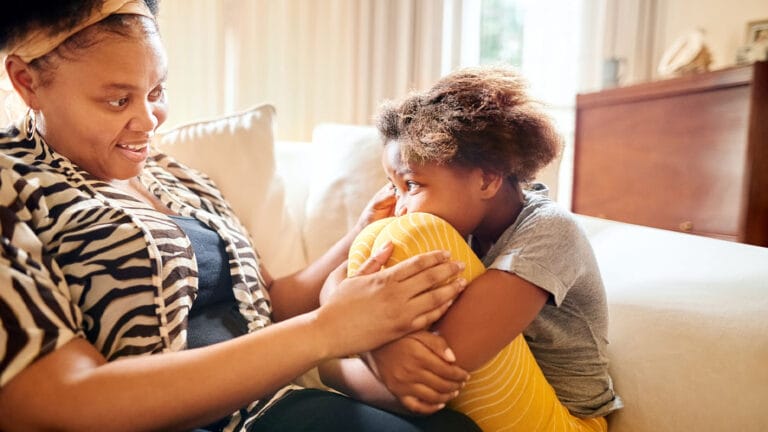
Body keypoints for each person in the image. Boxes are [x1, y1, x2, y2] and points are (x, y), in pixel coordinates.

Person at [0, 1, 483, 431]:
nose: (149, 120)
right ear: (27, 82)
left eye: (157, 91)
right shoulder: (12, 185)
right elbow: (54, 402)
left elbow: (268, 301)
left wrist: (362, 232)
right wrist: (327, 331)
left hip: (276, 400)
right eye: (117, 100)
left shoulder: (174, 178)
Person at [318, 66, 624, 431]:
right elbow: (336, 281)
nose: (400, 206)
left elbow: (436, 377)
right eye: (394, 187)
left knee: (408, 234)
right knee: (376, 234)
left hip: (566, 422)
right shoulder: (465, 230)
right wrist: (370, 348)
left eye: (412, 185)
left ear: (487, 178)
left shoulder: (550, 231)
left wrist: (332, 365)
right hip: (498, 408)